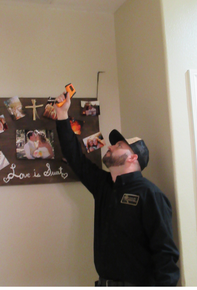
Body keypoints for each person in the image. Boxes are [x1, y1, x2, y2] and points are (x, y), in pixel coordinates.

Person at [54, 92, 180, 286]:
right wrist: (62, 115)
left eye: (119, 145)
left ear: (133, 158)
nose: (111, 147)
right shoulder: (104, 186)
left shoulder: (150, 194)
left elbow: (166, 255)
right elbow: (75, 158)